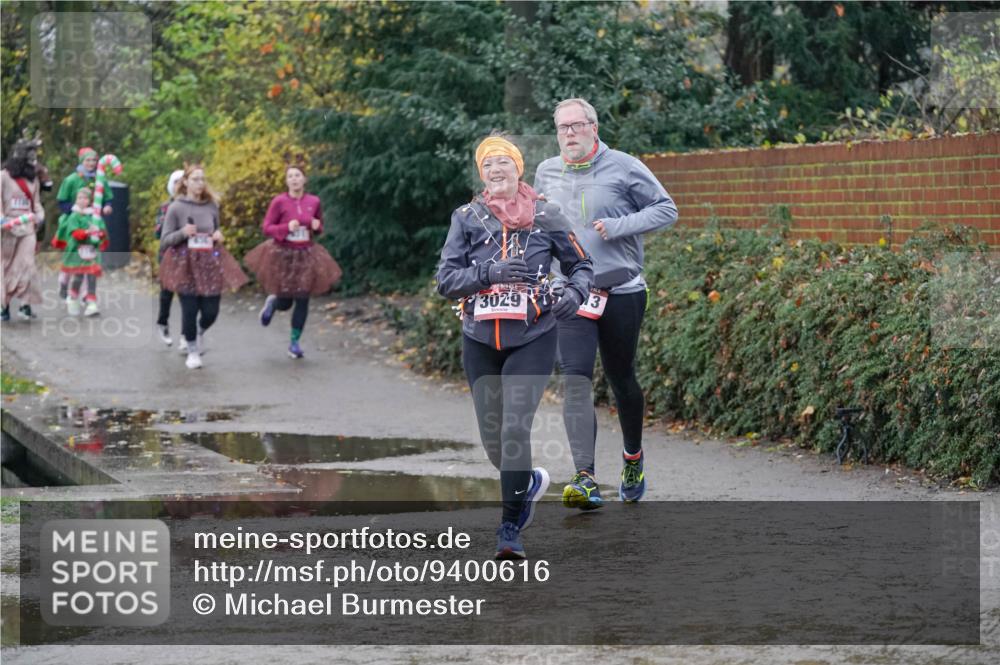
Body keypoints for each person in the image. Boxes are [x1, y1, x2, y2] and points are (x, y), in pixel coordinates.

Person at [437, 136, 593, 559]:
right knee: (494, 443)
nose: (496, 170)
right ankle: (530, 483)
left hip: (533, 337)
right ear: (482, 174)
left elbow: (581, 266)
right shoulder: (467, 218)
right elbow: (446, 280)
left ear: (518, 169)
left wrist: (575, 295)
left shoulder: (546, 214)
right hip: (480, 340)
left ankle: (509, 530)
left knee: (514, 429)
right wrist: (489, 272)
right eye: (489, 165)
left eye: (504, 162)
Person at [534, 98, 678, 508]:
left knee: (621, 379)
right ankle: (585, 478)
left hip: (621, 290)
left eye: (577, 126)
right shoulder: (546, 171)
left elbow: (667, 209)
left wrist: (619, 226)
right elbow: (542, 231)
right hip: (571, 292)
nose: (570, 134)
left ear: (594, 128)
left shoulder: (625, 166)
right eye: (563, 127)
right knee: (575, 378)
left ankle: (632, 457)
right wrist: (539, 279)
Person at [244, 165, 342, 359]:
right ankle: (273, 303)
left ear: (304, 179)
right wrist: (286, 227)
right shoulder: (279, 201)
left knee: (303, 297)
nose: (294, 179)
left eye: (298, 175)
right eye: (290, 176)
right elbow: (267, 228)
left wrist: (317, 226)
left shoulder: (314, 201)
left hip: (306, 253)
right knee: (286, 300)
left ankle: (294, 343)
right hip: (284, 253)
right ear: (286, 181)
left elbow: (318, 225)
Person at [158, 165, 247, 369]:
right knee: (189, 309)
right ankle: (192, 350)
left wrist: (218, 236)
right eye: (196, 179)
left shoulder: (211, 206)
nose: (200, 183)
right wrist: (182, 233)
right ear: (186, 182)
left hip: (209, 263)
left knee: (211, 311)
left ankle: (198, 331)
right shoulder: (176, 208)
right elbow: (165, 240)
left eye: (202, 179)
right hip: (184, 264)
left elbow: (215, 230)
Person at [56, 147, 113, 301]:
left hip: (92, 221)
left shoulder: (100, 179)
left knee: (90, 256)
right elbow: (62, 201)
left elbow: (107, 196)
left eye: (94, 160)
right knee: (73, 254)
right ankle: (64, 280)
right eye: (88, 160)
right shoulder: (71, 179)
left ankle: (86, 293)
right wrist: (75, 211)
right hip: (73, 221)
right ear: (82, 161)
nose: (91, 163)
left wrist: (107, 205)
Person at [1, 132, 45, 322]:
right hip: (7, 229)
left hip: (27, 228)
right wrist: (3, 220)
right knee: (6, 267)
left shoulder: (33, 180)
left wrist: (39, 216)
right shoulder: (3, 177)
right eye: (30, 156)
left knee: (27, 265)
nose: (33, 161)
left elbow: (36, 203)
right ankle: (4, 305)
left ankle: (26, 305)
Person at [51, 187, 107, 316]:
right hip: (77, 251)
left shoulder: (95, 216)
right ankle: (73, 296)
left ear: (90, 200)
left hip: (91, 251)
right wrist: (88, 232)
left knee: (92, 276)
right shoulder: (73, 216)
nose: (82, 201)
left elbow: (103, 232)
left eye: (85, 198)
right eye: (79, 198)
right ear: (76, 200)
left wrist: (98, 232)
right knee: (78, 276)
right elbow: (75, 233)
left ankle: (91, 302)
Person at [154, 169, 184, 346]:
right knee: (167, 292)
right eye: (175, 182)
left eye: (182, 181)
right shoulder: (165, 207)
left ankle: (185, 335)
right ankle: (162, 322)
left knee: (186, 296)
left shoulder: (195, 205)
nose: (179, 185)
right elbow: (158, 233)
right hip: (168, 254)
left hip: (188, 256)